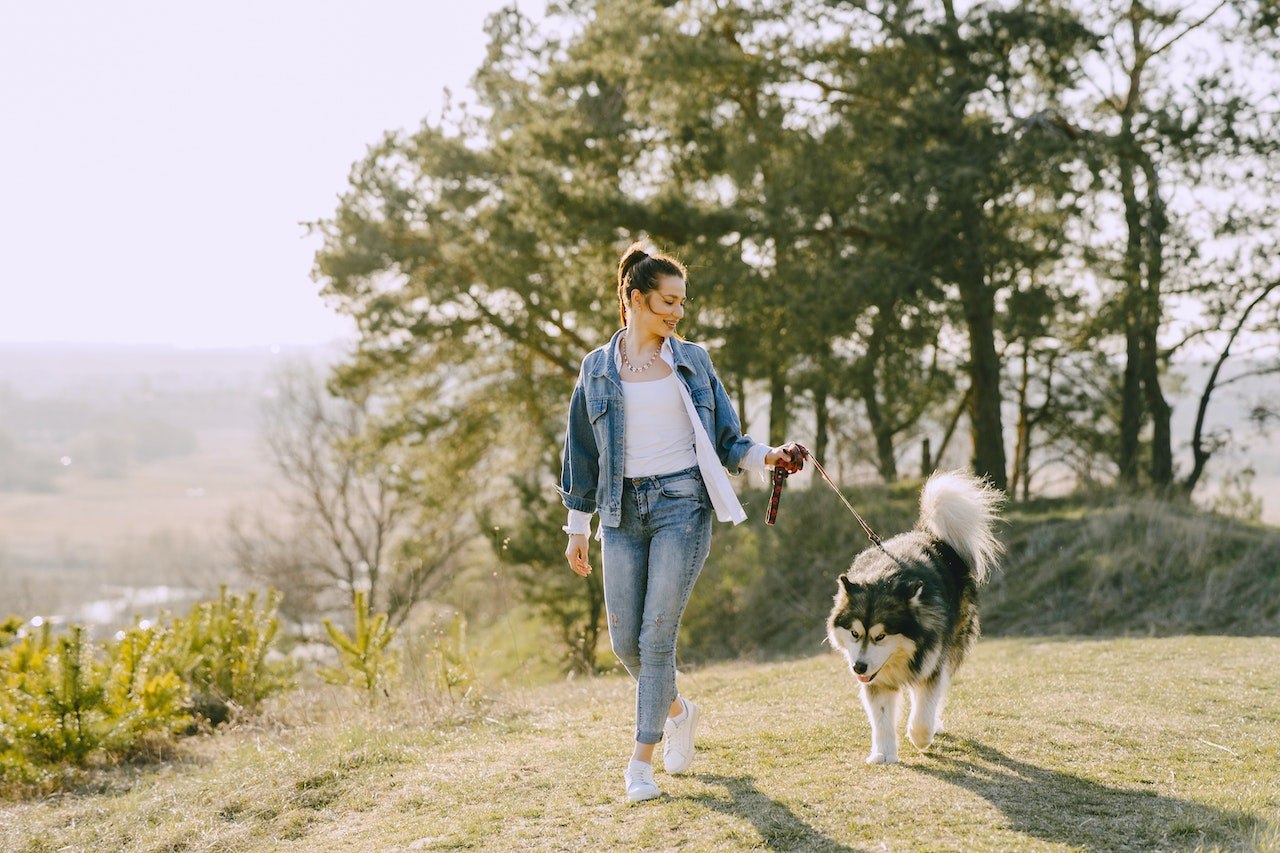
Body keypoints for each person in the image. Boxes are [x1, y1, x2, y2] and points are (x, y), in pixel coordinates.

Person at [558, 241, 801, 803]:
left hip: (682, 507)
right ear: (636, 299)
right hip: (620, 514)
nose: (677, 312)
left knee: (656, 637)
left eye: (682, 303)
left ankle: (638, 765)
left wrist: (769, 455)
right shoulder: (596, 369)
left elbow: (727, 439)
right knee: (626, 645)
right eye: (668, 301)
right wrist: (577, 526)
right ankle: (678, 710)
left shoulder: (692, 361)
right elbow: (581, 453)